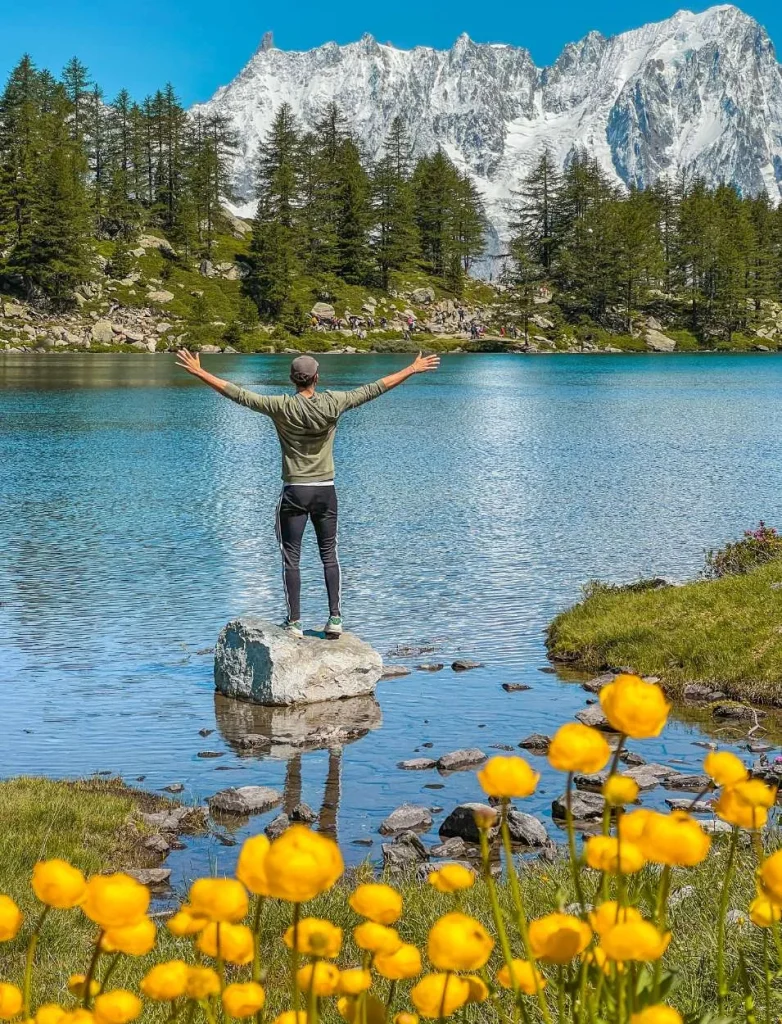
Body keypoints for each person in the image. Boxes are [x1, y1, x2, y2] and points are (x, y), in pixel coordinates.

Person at [176, 349, 440, 638]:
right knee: (329, 555)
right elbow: (375, 388)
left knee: (291, 557)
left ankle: (294, 622)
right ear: (317, 377)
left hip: (294, 491)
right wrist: (412, 368)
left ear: (292, 380)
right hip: (326, 491)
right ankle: (335, 619)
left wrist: (200, 372)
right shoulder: (334, 402)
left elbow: (238, 394)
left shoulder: (280, 406)